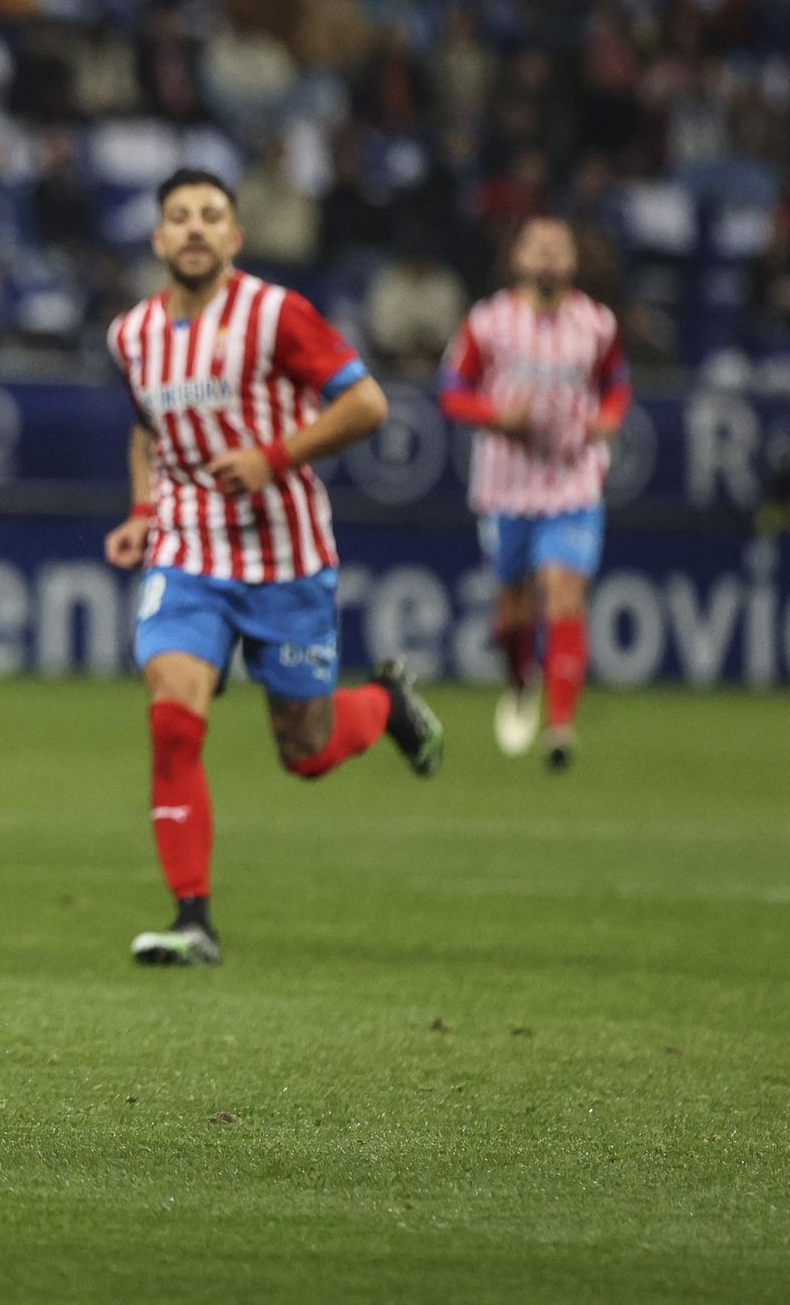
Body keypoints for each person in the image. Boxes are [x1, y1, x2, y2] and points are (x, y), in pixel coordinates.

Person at [101, 168, 444, 969]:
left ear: (234, 237)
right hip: (187, 545)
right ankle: (193, 919)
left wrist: (274, 455)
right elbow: (148, 429)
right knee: (172, 717)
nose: (193, 228)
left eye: (210, 216)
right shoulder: (131, 336)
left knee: (307, 750)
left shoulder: (275, 314)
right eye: (178, 216)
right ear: (158, 239)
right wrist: (145, 511)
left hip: (284, 549)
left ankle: (384, 704)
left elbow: (367, 403)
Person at [437, 216, 630, 768]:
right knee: (512, 610)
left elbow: (616, 381)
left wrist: (610, 418)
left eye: (557, 248)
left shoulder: (596, 323)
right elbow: (451, 392)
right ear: (517, 258)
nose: (546, 258)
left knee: (563, 588)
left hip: (572, 476)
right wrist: (496, 416)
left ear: (573, 261)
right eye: (536, 248)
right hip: (506, 483)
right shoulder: (489, 321)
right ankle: (520, 681)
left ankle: (560, 727)